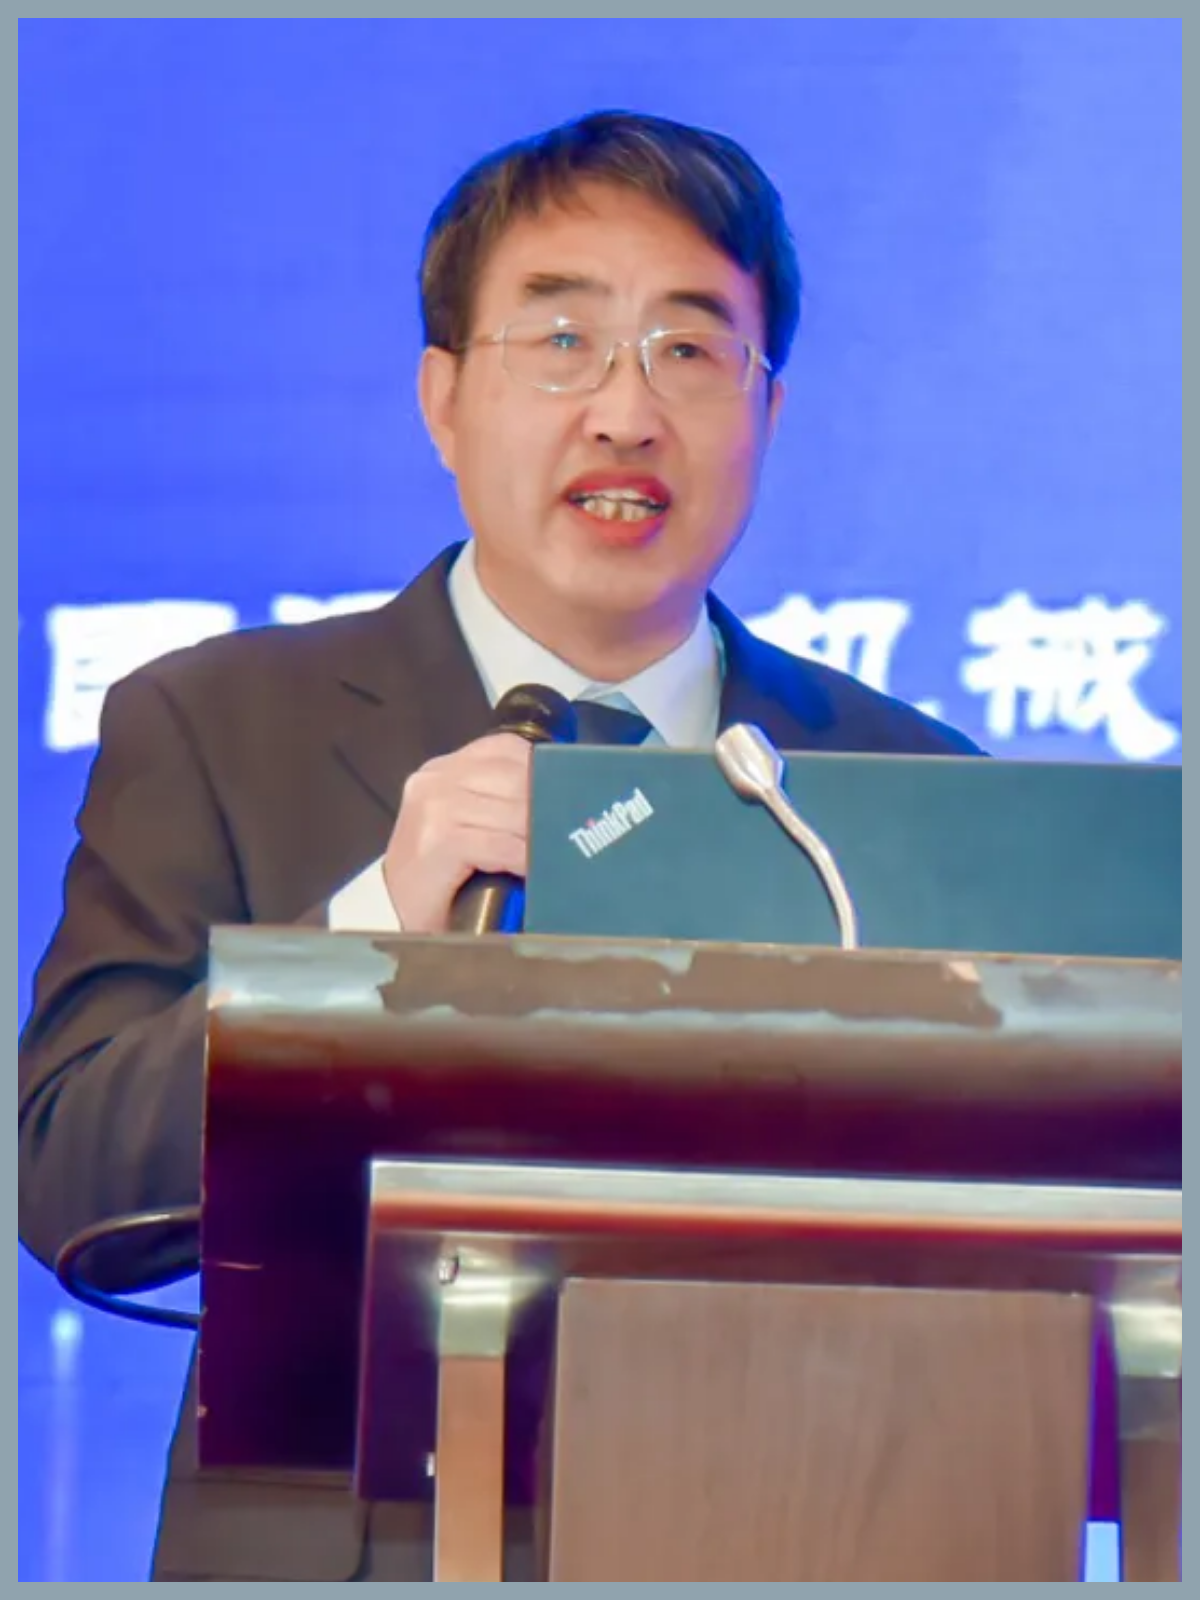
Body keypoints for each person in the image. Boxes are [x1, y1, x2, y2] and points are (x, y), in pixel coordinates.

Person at [18, 110, 982, 1581]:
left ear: (768, 413)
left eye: (689, 348)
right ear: (443, 398)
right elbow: (74, 1182)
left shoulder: (907, 782)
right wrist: (365, 934)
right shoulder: (216, 725)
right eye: (563, 341)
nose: (625, 412)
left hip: (811, 1530)